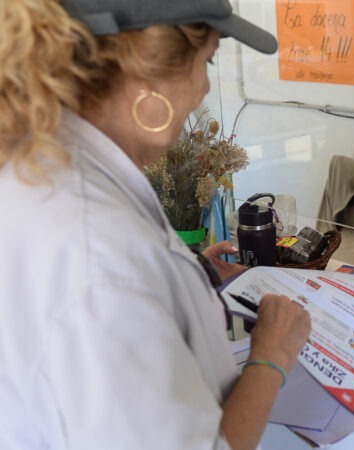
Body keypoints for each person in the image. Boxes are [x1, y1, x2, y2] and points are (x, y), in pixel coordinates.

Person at [0, 1, 310, 448]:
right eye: (207, 61)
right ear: (147, 78)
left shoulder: (45, 163)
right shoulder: (100, 262)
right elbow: (107, 287)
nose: (205, 87)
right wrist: (272, 354)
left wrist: (187, 276)